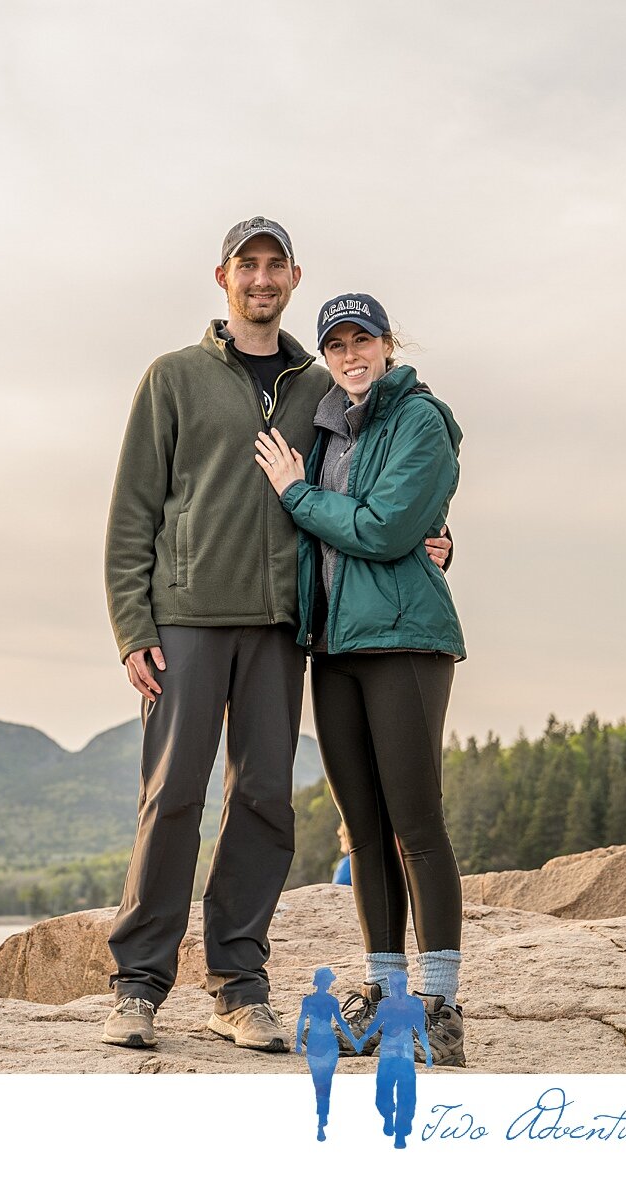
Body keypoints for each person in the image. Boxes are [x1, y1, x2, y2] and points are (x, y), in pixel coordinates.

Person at [101, 221, 450, 1053]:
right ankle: (138, 987)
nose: (261, 279)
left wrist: (440, 533)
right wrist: (131, 625)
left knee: (263, 804)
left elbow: (377, 476)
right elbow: (132, 513)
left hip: (283, 627)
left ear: (294, 276)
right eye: (245, 266)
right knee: (173, 797)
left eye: (274, 266)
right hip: (185, 618)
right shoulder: (174, 378)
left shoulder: (313, 385)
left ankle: (238, 987)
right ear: (222, 277)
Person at [254, 291, 469, 1069]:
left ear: (387, 344)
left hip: (406, 642)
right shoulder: (327, 428)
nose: (351, 355)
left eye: (363, 340)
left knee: (416, 823)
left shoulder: (420, 418)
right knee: (365, 828)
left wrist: (296, 493)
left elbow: (383, 527)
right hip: (335, 647)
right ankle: (387, 997)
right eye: (337, 343)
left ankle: (442, 1008)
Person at [352, 970, 430, 1148]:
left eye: (400, 984)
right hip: (386, 1052)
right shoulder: (386, 1004)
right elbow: (376, 1024)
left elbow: (422, 1030)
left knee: (406, 1094)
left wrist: (428, 1051)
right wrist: (363, 1040)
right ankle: (387, 1117)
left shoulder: (414, 1004)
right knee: (383, 1092)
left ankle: (402, 1132)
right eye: (394, 984)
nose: (397, 988)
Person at [294, 966, 361, 1141]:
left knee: (323, 1082)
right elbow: (303, 1020)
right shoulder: (325, 1000)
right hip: (324, 1041)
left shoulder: (320, 1000)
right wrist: (297, 1041)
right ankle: (321, 1120)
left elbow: (338, 1022)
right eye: (328, 981)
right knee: (321, 1082)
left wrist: (354, 1041)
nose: (329, 983)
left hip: (322, 1041)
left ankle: (322, 1121)